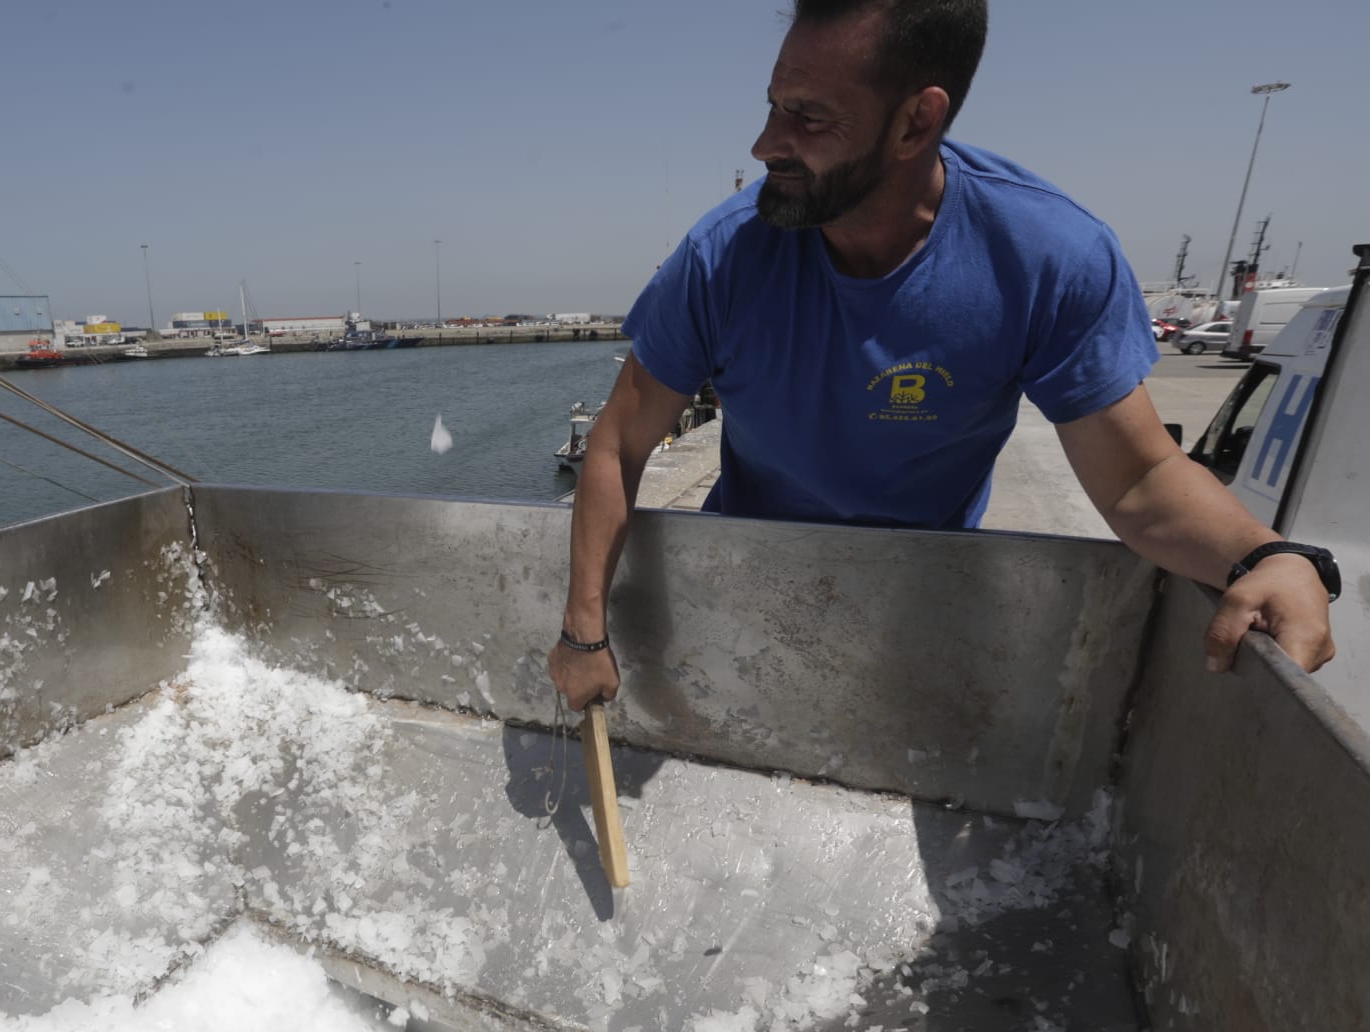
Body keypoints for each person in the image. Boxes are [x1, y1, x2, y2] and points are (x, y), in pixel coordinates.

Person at [551, 0, 1337, 710]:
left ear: (916, 122)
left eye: (809, 117)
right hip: (746, 571)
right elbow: (618, 442)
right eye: (772, 106)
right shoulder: (721, 257)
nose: (766, 144)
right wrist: (584, 631)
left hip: (925, 595)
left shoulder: (1046, 259)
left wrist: (1263, 556)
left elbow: (1139, 480)